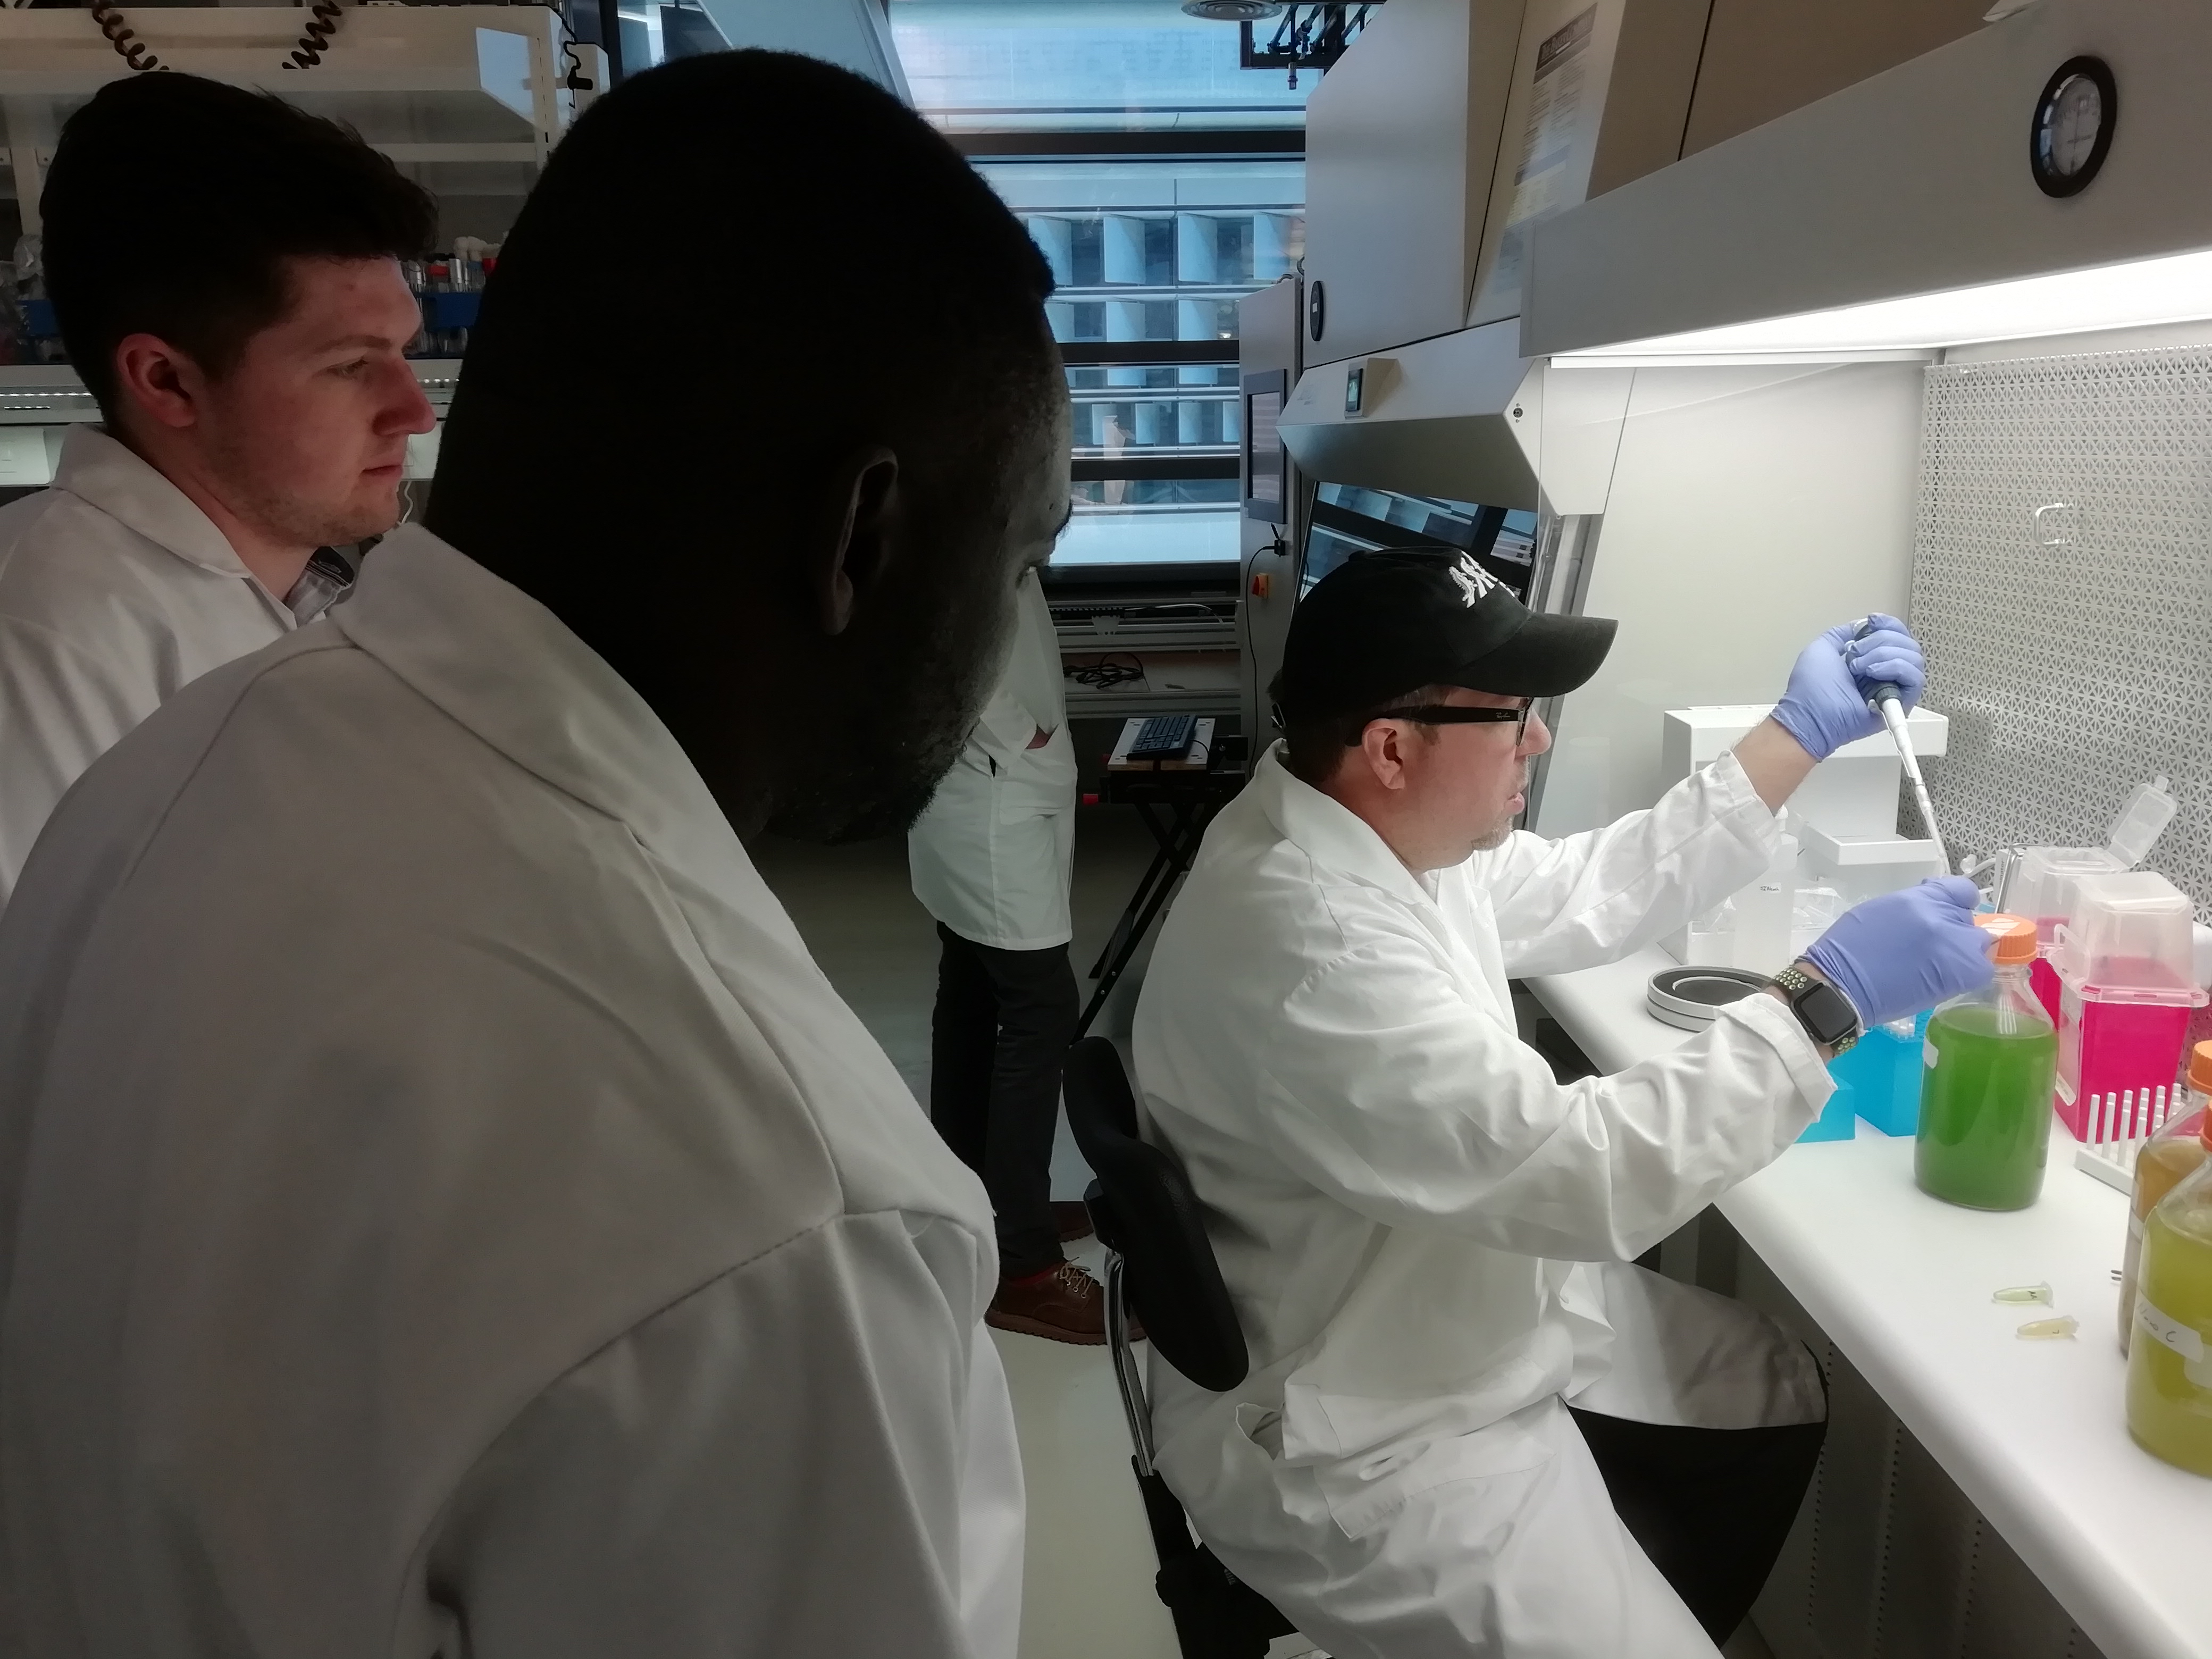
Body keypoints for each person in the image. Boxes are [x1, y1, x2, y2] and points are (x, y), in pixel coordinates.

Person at [0, 53, 1067, 1657]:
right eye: (1025, 550)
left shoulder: (168, 775)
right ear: (861, 533)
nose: (1005, 640)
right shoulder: (786, 1221)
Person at [1132, 551, 1996, 1659]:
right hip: (1366, 1430)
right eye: (1509, 715)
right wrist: (1825, 1000)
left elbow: (1590, 883)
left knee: (1775, 1385)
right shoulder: (1314, 948)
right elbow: (1576, 1174)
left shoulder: (1359, 830)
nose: (1538, 739)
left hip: (1432, 1301)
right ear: (1393, 747)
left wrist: (1797, 734)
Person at [0, 73, 437, 908]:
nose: (413, 410)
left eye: (404, 351)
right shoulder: (42, 644)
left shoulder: (308, 591)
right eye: (350, 366)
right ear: (167, 380)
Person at [909, 562, 1104, 1343]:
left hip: (976, 784)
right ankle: (1022, 1268)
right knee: (1037, 1005)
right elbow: (939, 638)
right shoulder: (954, 500)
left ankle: (980, 1204)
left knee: (974, 990)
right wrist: (1020, 729)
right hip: (991, 788)